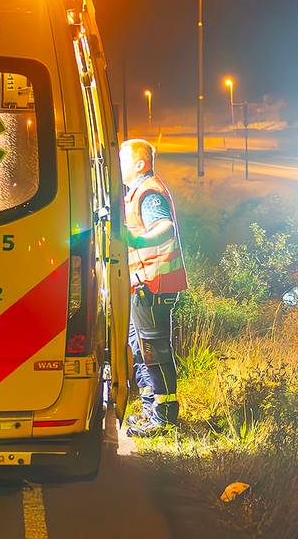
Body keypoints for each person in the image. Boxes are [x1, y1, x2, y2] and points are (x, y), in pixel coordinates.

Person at [119, 138, 188, 437]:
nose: (117, 164)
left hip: (154, 285)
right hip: (143, 284)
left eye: (122, 159)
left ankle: (164, 419)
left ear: (140, 163)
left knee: (153, 350)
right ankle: (151, 412)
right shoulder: (135, 193)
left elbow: (164, 227)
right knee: (140, 348)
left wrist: (135, 241)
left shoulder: (149, 193)